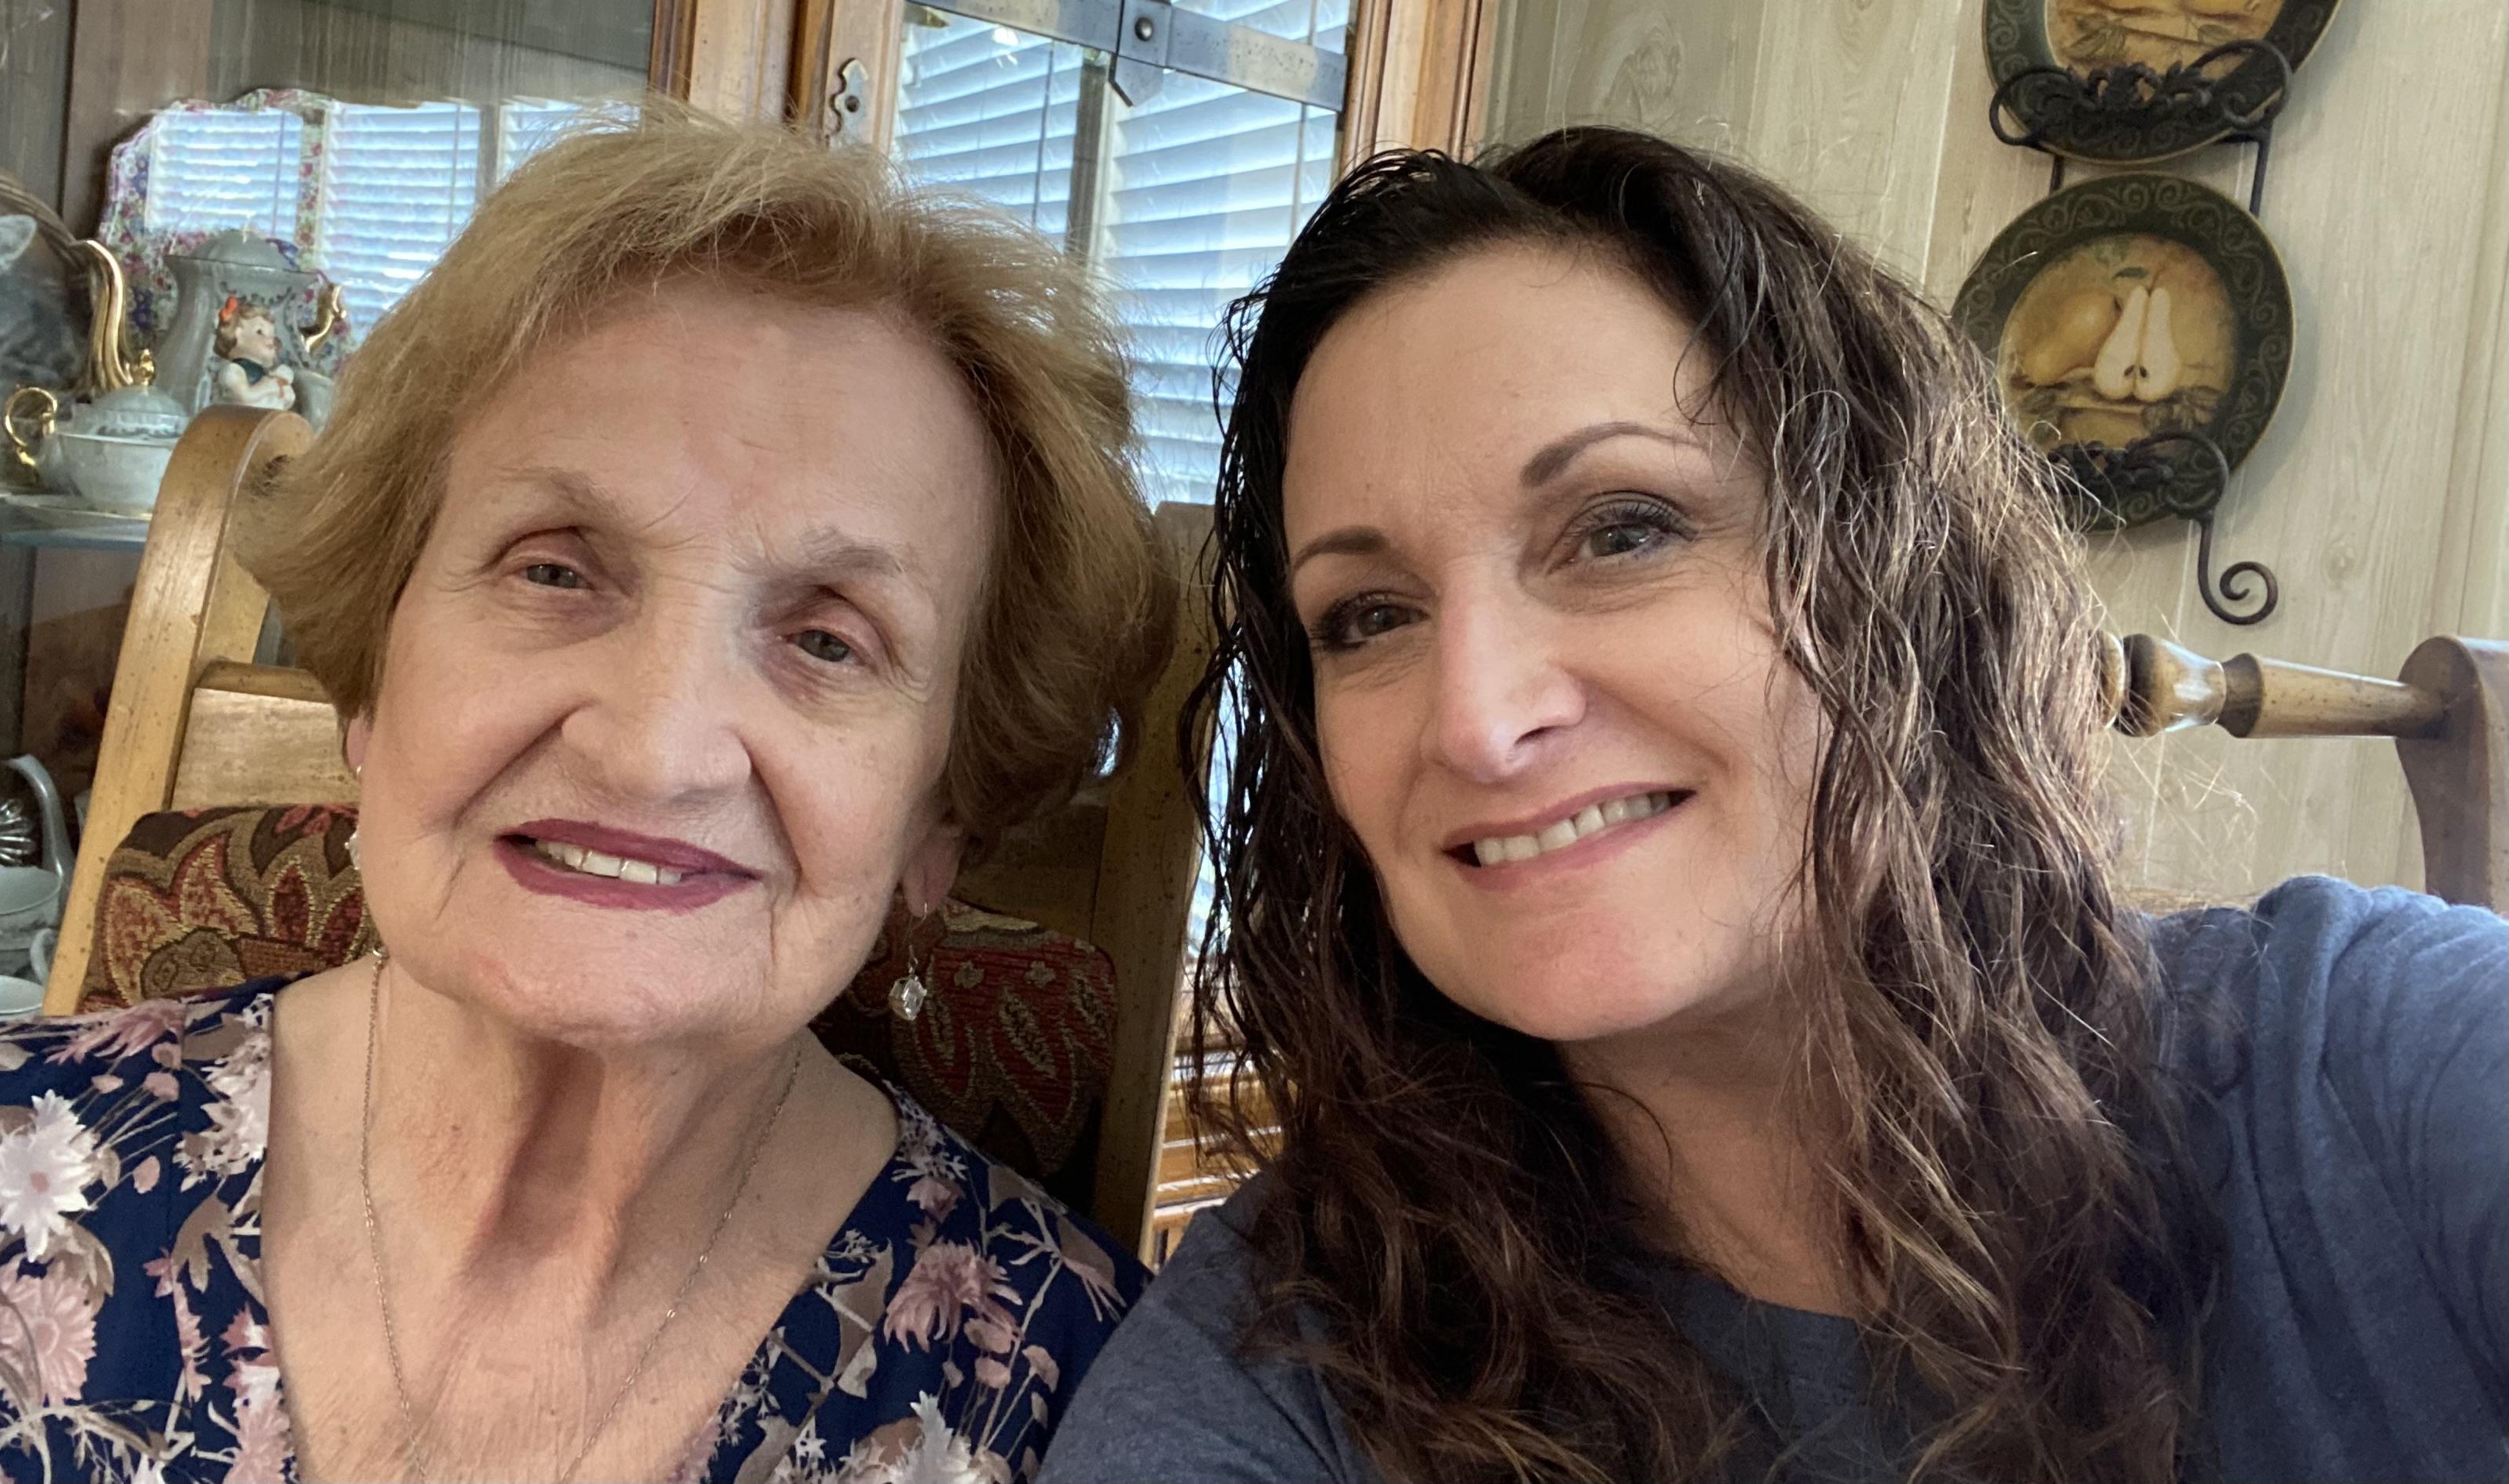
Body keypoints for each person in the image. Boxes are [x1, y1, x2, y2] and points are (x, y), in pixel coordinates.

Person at [1042, 128, 2507, 1483]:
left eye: (1623, 530)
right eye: (1368, 615)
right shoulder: (1280, 1366)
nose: (1477, 721)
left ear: (1894, 577)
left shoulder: (2365, 1071)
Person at [0, 106, 1171, 1483]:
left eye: (829, 639)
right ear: (373, 676)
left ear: (940, 815)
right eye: (553, 569)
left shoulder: (1082, 1399)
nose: (652, 751)